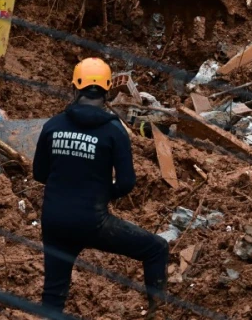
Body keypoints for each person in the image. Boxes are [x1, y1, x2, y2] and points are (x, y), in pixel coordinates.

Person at [34, 58, 169, 317]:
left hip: (54, 221)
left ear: (76, 87)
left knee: (53, 292)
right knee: (156, 249)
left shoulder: (53, 125)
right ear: (107, 90)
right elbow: (127, 182)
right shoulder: (113, 131)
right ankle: (157, 312)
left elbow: (40, 173)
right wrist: (103, 194)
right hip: (92, 222)